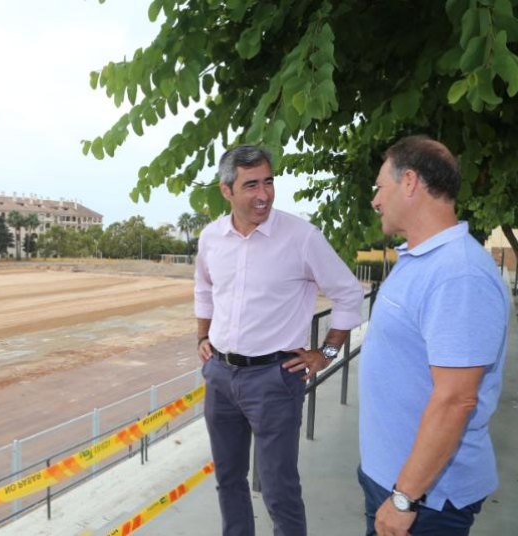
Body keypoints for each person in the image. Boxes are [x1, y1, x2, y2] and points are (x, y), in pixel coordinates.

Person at [195, 144, 364, 536]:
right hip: (220, 376)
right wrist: (203, 337)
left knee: (278, 489)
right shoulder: (211, 238)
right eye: (251, 184)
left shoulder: (301, 237)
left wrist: (326, 352)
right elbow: (204, 290)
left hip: (275, 379)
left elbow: (348, 293)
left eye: (269, 182)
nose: (264, 194)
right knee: (228, 481)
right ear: (227, 191)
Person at [358, 135, 509, 536]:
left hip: (425, 500)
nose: (375, 201)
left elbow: (456, 400)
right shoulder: (423, 259)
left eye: (380, 187)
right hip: (390, 480)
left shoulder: (458, 275)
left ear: (409, 182)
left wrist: (405, 497)